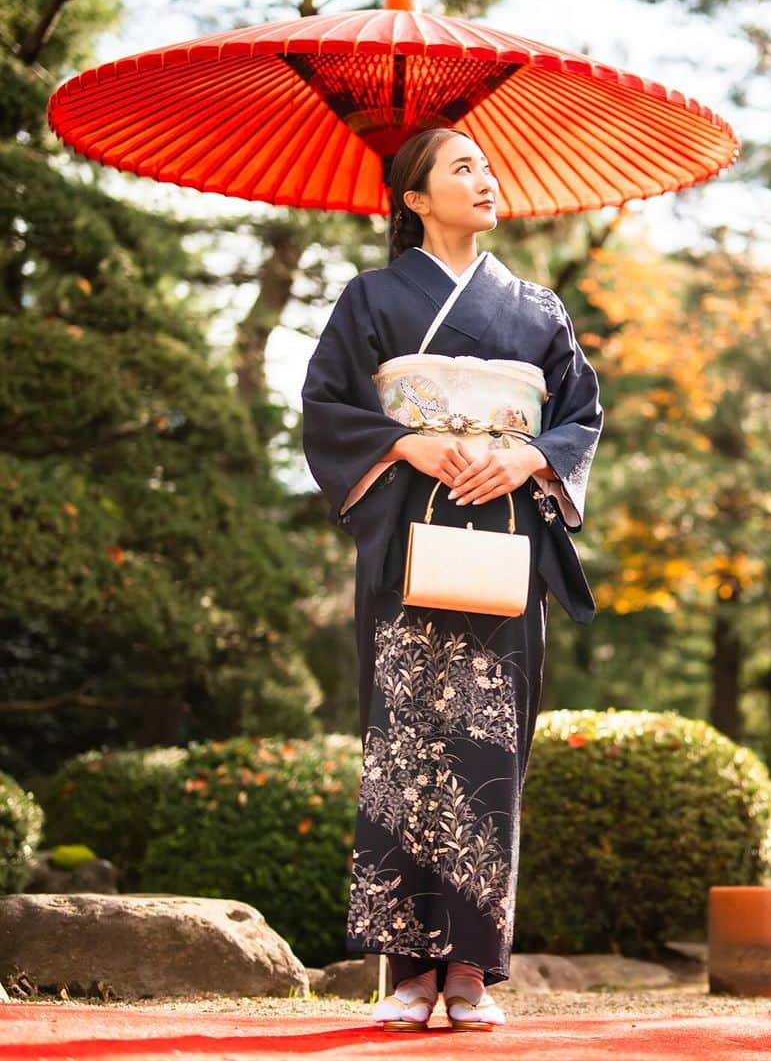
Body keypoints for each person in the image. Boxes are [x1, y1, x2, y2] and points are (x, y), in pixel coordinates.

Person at [301, 127, 603, 1032]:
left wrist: (527, 463)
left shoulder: (537, 308)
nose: (485, 177)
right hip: (409, 533)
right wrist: (405, 439)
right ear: (416, 198)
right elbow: (325, 405)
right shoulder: (370, 299)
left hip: (506, 538)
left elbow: (579, 414)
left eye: (488, 164)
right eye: (461, 167)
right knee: (405, 744)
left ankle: (468, 969)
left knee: (489, 749)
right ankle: (406, 968)